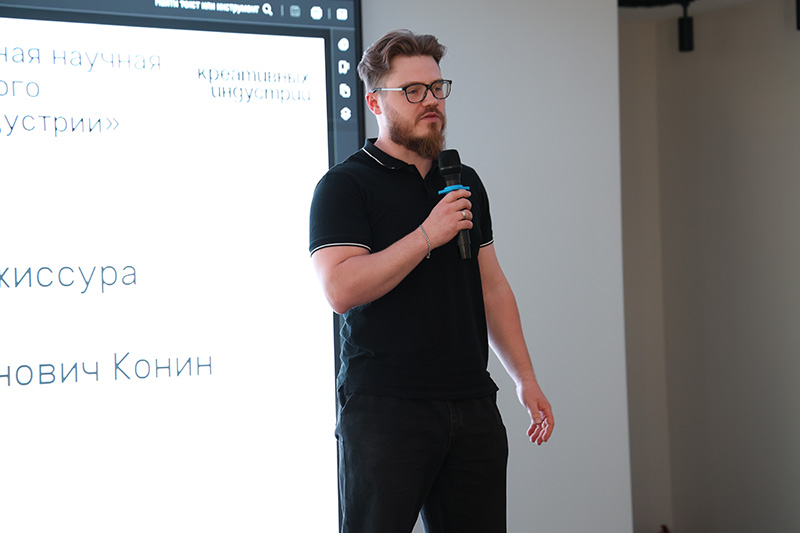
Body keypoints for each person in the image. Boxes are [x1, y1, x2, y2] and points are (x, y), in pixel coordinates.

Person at [309, 29, 554, 533]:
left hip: (471, 402)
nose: (431, 101)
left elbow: (491, 286)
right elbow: (341, 289)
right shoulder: (344, 185)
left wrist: (524, 377)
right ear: (375, 101)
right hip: (386, 408)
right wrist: (427, 235)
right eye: (413, 90)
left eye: (438, 88)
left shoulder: (462, 180)